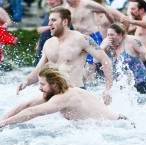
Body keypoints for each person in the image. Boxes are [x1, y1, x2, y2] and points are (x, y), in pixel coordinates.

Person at [17, 7, 112, 103]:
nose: (49, 24)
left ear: (65, 22)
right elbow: (39, 70)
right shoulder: (48, 43)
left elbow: (105, 60)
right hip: (54, 94)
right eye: (49, 20)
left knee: (29, 111)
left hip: (75, 93)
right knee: (25, 108)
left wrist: (108, 89)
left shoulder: (82, 39)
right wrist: (26, 81)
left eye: (53, 20)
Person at [0, 65, 129, 128]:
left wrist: (4, 123)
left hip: (118, 127)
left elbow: (33, 112)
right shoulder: (61, 91)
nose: (39, 88)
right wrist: (2, 120)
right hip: (120, 122)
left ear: (54, 84)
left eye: (42, 84)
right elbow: (27, 105)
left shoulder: (64, 97)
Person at [101, 23, 146, 94]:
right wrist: (103, 47)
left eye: (112, 35)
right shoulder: (105, 43)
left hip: (141, 83)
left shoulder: (131, 40)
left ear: (121, 35)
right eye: (108, 35)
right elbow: (95, 60)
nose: (109, 37)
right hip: (121, 85)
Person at [121, 0, 146, 80]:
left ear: (142, 10)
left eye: (133, 9)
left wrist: (131, 21)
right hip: (142, 62)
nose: (131, 11)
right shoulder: (140, 21)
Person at [34, 0, 64, 65]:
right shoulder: (49, 13)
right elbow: (41, 29)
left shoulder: (63, 13)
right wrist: (39, 41)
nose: (50, 2)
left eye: (53, 0)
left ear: (60, 1)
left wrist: (47, 28)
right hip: (43, 43)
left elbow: (63, 28)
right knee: (38, 67)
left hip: (54, 46)